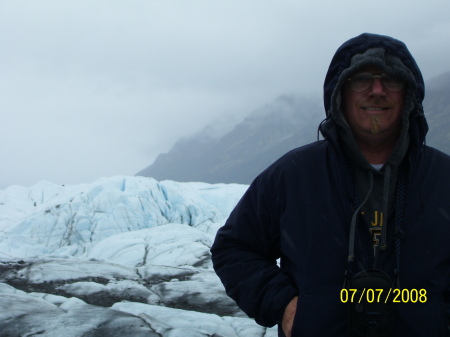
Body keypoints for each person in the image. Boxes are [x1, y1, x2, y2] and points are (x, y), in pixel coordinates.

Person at [210, 33, 450, 336]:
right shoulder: (294, 175)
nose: (377, 90)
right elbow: (234, 247)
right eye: (362, 78)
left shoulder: (443, 178)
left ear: (409, 94)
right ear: (341, 93)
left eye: (391, 79)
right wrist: (283, 304)